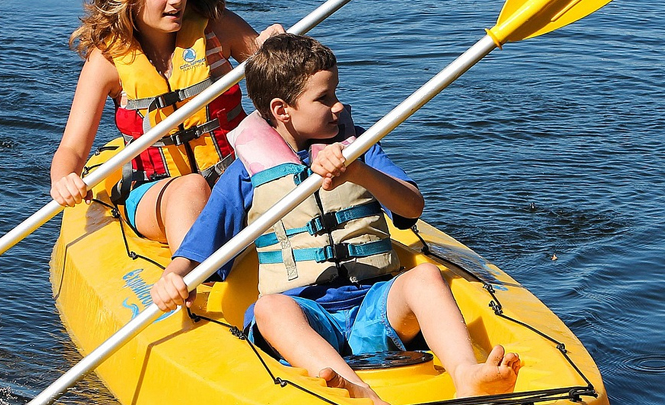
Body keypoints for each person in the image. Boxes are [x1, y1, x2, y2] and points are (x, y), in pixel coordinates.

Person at [150, 34, 521, 403]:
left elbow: (412, 207)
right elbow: (200, 247)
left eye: (337, 93)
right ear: (282, 110)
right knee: (269, 309)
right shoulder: (244, 174)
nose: (339, 107)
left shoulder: (359, 146)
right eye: (324, 98)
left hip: (376, 305)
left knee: (425, 276)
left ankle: (466, 374)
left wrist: (360, 172)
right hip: (306, 314)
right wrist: (173, 277)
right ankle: (360, 393)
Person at [50, 0, 282, 251]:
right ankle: (192, 281)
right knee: (190, 188)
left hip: (234, 176)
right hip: (156, 190)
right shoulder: (107, 62)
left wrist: (276, 50)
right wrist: (64, 180)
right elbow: (73, 149)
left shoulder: (216, 27)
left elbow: (280, 85)